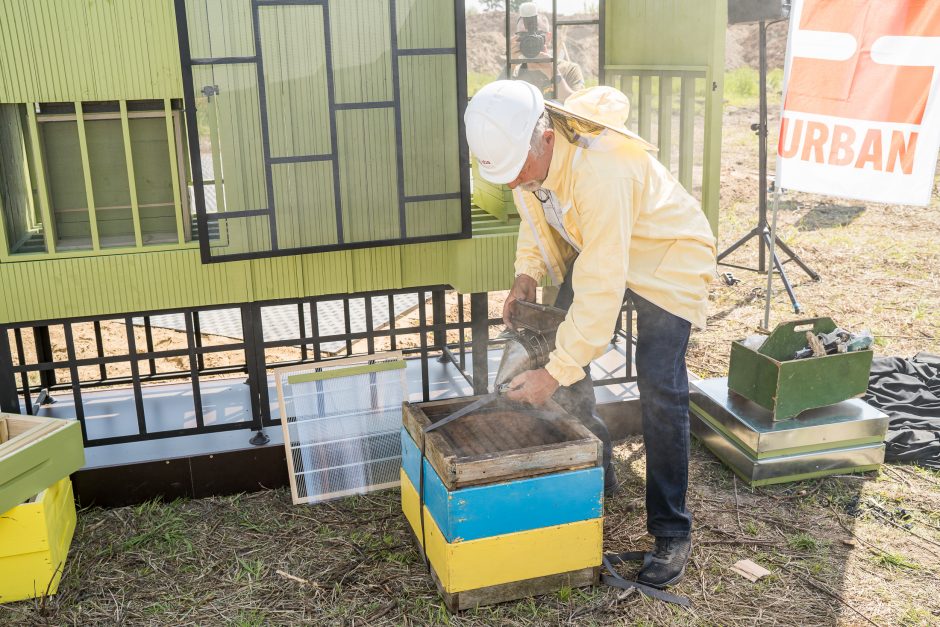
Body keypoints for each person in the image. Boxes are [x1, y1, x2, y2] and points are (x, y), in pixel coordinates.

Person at [464, 80, 717, 589]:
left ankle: (671, 530)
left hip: (668, 259)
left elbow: (601, 292)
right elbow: (534, 215)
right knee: (558, 339)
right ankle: (597, 467)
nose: (514, 183)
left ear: (546, 138)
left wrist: (553, 374)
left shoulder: (602, 172)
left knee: (660, 387)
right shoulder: (532, 155)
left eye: (519, 171)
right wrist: (525, 274)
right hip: (611, 245)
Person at [498, 2, 584, 101]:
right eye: (523, 35)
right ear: (516, 38)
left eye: (536, 34)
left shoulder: (569, 70)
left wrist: (552, 73)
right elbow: (495, 100)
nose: (529, 40)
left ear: (548, 37)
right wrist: (511, 64)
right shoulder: (514, 72)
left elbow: (578, 106)